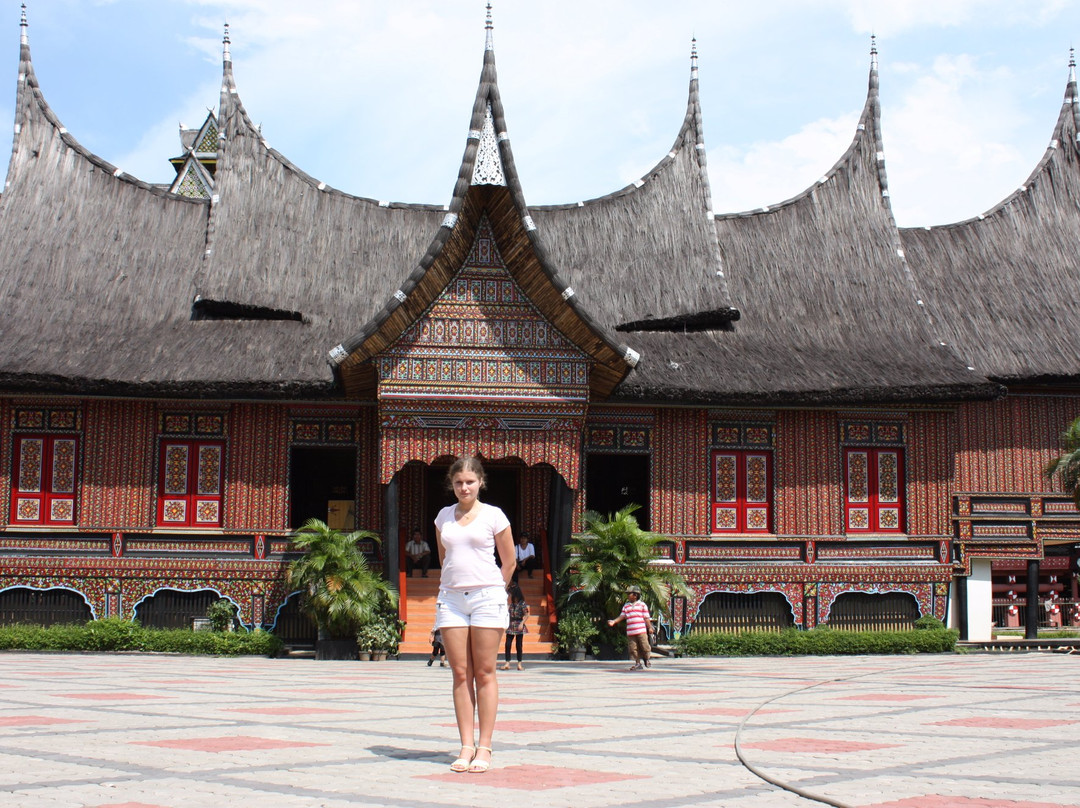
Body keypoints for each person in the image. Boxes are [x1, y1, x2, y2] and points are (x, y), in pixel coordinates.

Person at [434, 456, 516, 773]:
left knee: (484, 672)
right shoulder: (443, 517)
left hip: (487, 596)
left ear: (480, 482)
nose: (464, 487)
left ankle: (485, 746)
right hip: (452, 599)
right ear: (451, 485)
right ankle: (466, 745)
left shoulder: (494, 516)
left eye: (469, 481)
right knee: (460, 673)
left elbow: (508, 562)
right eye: (458, 482)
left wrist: (495, 590)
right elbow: (445, 559)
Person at [607, 585, 654, 671]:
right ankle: (637, 663)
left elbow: (646, 618)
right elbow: (622, 616)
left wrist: (649, 627)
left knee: (644, 646)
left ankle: (646, 659)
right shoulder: (626, 606)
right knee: (633, 648)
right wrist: (614, 621)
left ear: (635, 595)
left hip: (641, 631)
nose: (628, 596)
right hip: (631, 632)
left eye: (629, 594)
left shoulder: (642, 605)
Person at [500, 584, 530, 671]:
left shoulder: (522, 604)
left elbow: (527, 614)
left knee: (519, 645)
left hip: (518, 623)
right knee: (508, 644)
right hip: (511, 624)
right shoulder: (512, 604)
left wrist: (522, 623)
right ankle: (507, 662)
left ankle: (519, 663)